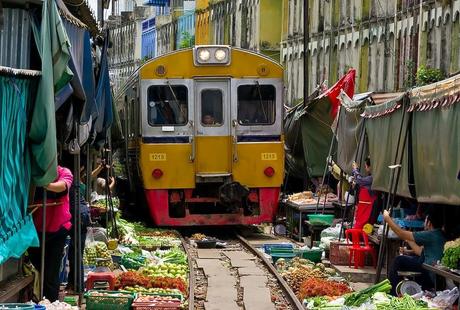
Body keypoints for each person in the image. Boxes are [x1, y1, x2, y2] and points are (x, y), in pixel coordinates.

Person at [29, 165, 73, 302]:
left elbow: (62, 186)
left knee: (51, 273)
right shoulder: (31, 171)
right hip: (35, 231)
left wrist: (46, 184)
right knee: (35, 269)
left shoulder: (64, 172)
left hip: (57, 231)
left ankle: (50, 303)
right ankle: (35, 300)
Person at [384, 209, 446, 295]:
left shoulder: (431, 234)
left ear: (429, 223)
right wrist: (408, 250)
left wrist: (387, 218)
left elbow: (401, 233)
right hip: (432, 272)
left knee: (398, 260)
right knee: (405, 259)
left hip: (429, 274)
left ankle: (392, 294)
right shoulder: (440, 234)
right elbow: (421, 251)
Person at [351, 157, 375, 229]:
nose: (365, 168)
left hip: (369, 207)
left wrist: (355, 169)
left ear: (370, 166)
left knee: (364, 224)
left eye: (366, 166)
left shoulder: (372, 178)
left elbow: (360, 180)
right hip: (363, 206)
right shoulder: (369, 177)